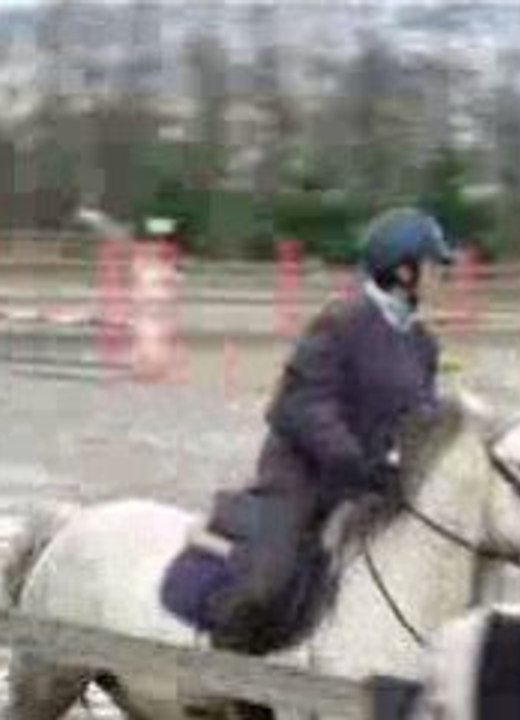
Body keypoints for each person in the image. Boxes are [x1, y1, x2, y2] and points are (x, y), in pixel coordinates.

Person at [204, 206, 456, 652]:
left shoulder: (423, 344)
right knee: (270, 578)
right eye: (436, 266)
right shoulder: (340, 322)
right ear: (403, 271)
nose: (444, 276)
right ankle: (215, 670)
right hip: (304, 478)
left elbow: (421, 420)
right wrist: (356, 462)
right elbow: (301, 405)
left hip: (372, 485)